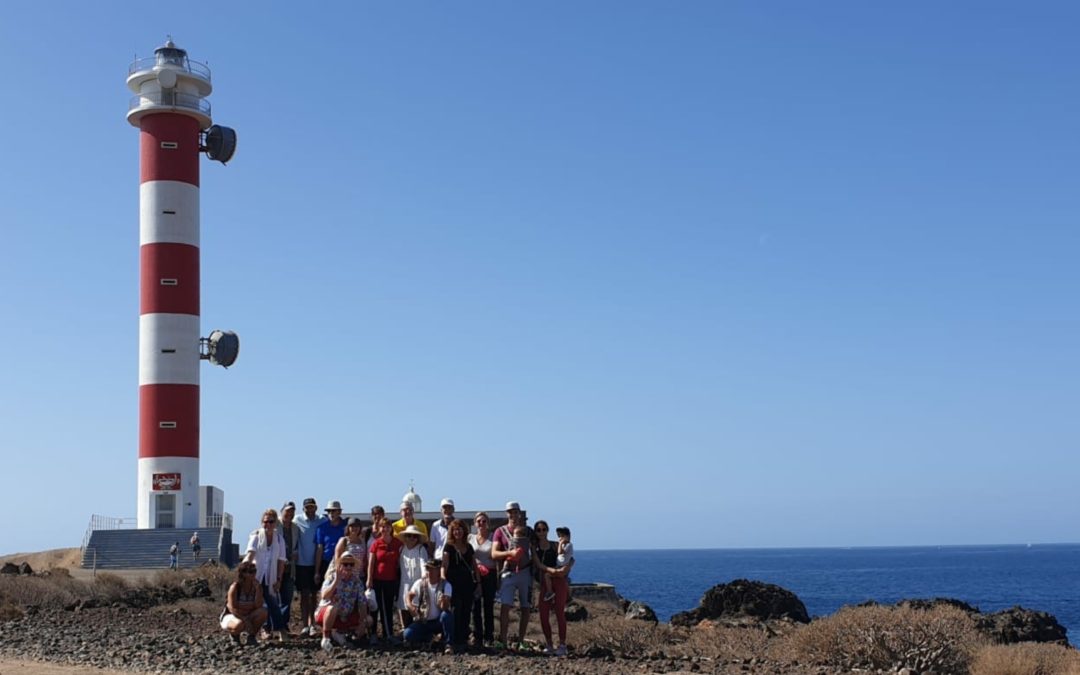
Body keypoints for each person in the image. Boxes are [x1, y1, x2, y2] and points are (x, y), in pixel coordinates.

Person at [493, 501, 533, 650]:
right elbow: (494, 553)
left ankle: (521, 641)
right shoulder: (500, 531)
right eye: (510, 512)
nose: (513, 514)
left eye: (515, 511)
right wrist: (509, 554)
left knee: (526, 607)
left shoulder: (528, 531)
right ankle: (503, 641)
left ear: (519, 513)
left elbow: (534, 549)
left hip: (525, 571)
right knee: (505, 606)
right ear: (506, 513)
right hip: (508, 572)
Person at [243, 508, 288, 642]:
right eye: (265, 522)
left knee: (273, 604)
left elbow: (281, 561)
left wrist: (279, 579)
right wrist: (244, 573)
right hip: (256, 577)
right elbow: (250, 554)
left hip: (271, 577)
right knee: (255, 604)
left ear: (276, 523)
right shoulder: (256, 536)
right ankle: (257, 631)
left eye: (271, 522)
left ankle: (281, 630)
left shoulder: (279, 539)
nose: (267, 524)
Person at [534, 520, 574, 655]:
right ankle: (549, 644)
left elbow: (570, 559)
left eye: (544, 529)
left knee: (559, 613)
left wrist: (564, 570)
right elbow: (539, 565)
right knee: (543, 615)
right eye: (538, 530)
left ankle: (562, 645)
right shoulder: (535, 548)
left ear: (547, 530)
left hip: (560, 581)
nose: (541, 532)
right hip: (546, 583)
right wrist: (554, 571)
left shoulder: (555, 545)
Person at [315, 551, 368, 651]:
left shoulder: (356, 581)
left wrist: (363, 621)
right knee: (332, 608)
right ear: (340, 565)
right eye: (345, 564)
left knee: (368, 620)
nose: (348, 567)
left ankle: (341, 633)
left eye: (351, 564)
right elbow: (324, 596)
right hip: (327, 614)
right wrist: (336, 581)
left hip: (345, 616)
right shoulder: (331, 578)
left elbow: (362, 602)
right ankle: (326, 637)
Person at [441, 519, 477, 653]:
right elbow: (444, 565)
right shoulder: (448, 547)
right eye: (455, 529)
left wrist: (477, 582)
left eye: (460, 529)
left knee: (466, 611)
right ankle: (453, 640)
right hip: (453, 583)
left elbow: (474, 566)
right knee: (456, 610)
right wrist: (443, 579)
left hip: (467, 583)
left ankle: (463, 640)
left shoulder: (469, 547)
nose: (458, 532)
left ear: (464, 531)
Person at [403, 559, 453, 652]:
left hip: (438, 621)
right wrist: (410, 605)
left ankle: (448, 643)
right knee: (407, 634)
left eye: (432, 569)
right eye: (428, 569)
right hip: (423, 621)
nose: (429, 571)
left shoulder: (446, 585)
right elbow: (409, 595)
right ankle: (429, 638)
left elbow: (445, 607)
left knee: (446, 615)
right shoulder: (420, 583)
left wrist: (444, 601)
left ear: (438, 570)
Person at [366, 518, 403, 644]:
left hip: (391, 580)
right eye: (382, 527)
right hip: (377, 580)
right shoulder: (376, 543)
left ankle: (388, 633)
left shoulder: (397, 543)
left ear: (391, 528)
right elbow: (371, 562)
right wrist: (369, 579)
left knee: (387, 608)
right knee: (375, 607)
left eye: (387, 527)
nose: (385, 529)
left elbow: (400, 562)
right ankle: (373, 634)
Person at [294, 497, 325, 637]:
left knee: (314, 595)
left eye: (312, 507)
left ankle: (313, 624)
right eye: (307, 507)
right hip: (302, 563)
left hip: (317, 563)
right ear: (303, 508)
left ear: (316, 508)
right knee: (304, 595)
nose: (310, 509)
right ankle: (305, 625)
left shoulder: (322, 520)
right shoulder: (297, 520)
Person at [220, 562, 267, 645]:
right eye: (250, 572)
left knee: (263, 612)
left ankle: (251, 637)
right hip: (234, 615)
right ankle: (234, 636)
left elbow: (258, 605)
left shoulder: (257, 586)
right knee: (239, 624)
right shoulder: (235, 587)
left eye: (254, 571)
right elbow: (232, 608)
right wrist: (245, 620)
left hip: (249, 615)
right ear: (243, 573)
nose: (253, 574)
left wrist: (258, 591)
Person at [469, 511, 497, 647]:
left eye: (484, 521)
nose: (481, 524)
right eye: (478, 521)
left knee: (488, 605)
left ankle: (489, 636)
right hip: (475, 574)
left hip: (489, 574)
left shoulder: (493, 538)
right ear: (475, 523)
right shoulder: (470, 538)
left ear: (488, 523)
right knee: (475, 606)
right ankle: (477, 635)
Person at [396, 524, 430, 631]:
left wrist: (425, 576)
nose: (411, 538)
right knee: (404, 608)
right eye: (409, 535)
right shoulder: (401, 549)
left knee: (417, 609)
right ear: (405, 537)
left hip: (417, 584)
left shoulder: (421, 549)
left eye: (414, 536)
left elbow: (424, 564)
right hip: (404, 583)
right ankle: (405, 631)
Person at [314, 500, 346, 588]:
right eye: (329, 511)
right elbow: (320, 549)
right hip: (326, 563)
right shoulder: (321, 528)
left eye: (333, 511)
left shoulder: (346, 527)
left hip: (342, 563)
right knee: (325, 590)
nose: (331, 513)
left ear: (339, 512)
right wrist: (317, 571)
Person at [278, 501, 300, 631]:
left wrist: (295, 554)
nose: (289, 514)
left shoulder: (295, 528)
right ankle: (268, 627)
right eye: (287, 511)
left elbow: (296, 545)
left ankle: (283, 625)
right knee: (272, 598)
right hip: (275, 567)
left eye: (292, 512)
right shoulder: (274, 524)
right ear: (282, 512)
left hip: (290, 568)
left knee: (287, 598)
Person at [541, 524, 574, 602]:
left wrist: (560, 543)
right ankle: (568, 597)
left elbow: (559, 552)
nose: (560, 538)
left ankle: (550, 592)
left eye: (561, 536)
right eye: (559, 536)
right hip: (559, 565)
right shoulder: (564, 545)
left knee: (547, 575)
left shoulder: (568, 545)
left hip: (561, 567)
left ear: (567, 536)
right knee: (564, 581)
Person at [333, 518, 369, 587]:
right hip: (345, 576)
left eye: (357, 526)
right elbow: (337, 559)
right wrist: (338, 575)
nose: (354, 528)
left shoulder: (363, 541)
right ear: (348, 528)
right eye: (352, 526)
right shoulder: (344, 540)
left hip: (359, 576)